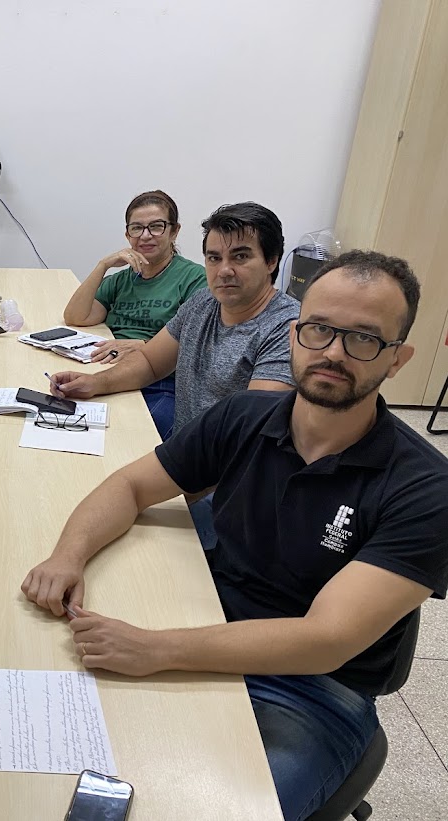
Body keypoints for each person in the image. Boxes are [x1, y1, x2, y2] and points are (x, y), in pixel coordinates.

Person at [23, 250, 448, 821]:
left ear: (398, 359)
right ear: (295, 332)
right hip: (203, 625)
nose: (333, 353)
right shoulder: (244, 417)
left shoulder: (425, 487)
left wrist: (155, 649)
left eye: (364, 339)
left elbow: (326, 639)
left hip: (312, 693)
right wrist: (66, 556)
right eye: (319, 330)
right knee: (43, 773)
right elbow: (128, 487)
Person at [50, 202, 301, 548]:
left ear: (272, 262)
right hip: (186, 464)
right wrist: (95, 383)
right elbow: (151, 364)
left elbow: (249, 438)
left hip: (232, 488)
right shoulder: (203, 303)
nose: (224, 270)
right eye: (214, 258)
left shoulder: (285, 328)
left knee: (141, 553)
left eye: (240, 257)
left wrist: (172, 489)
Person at [62, 190, 207, 439]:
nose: (145, 236)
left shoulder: (194, 279)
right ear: (127, 234)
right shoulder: (122, 280)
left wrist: (144, 346)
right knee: (67, 419)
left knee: (127, 436)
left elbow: (196, 343)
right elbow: (77, 316)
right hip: (110, 370)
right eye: (137, 228)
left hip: (161, 381)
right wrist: (103, 265)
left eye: (156, 227)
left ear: (174, 231)